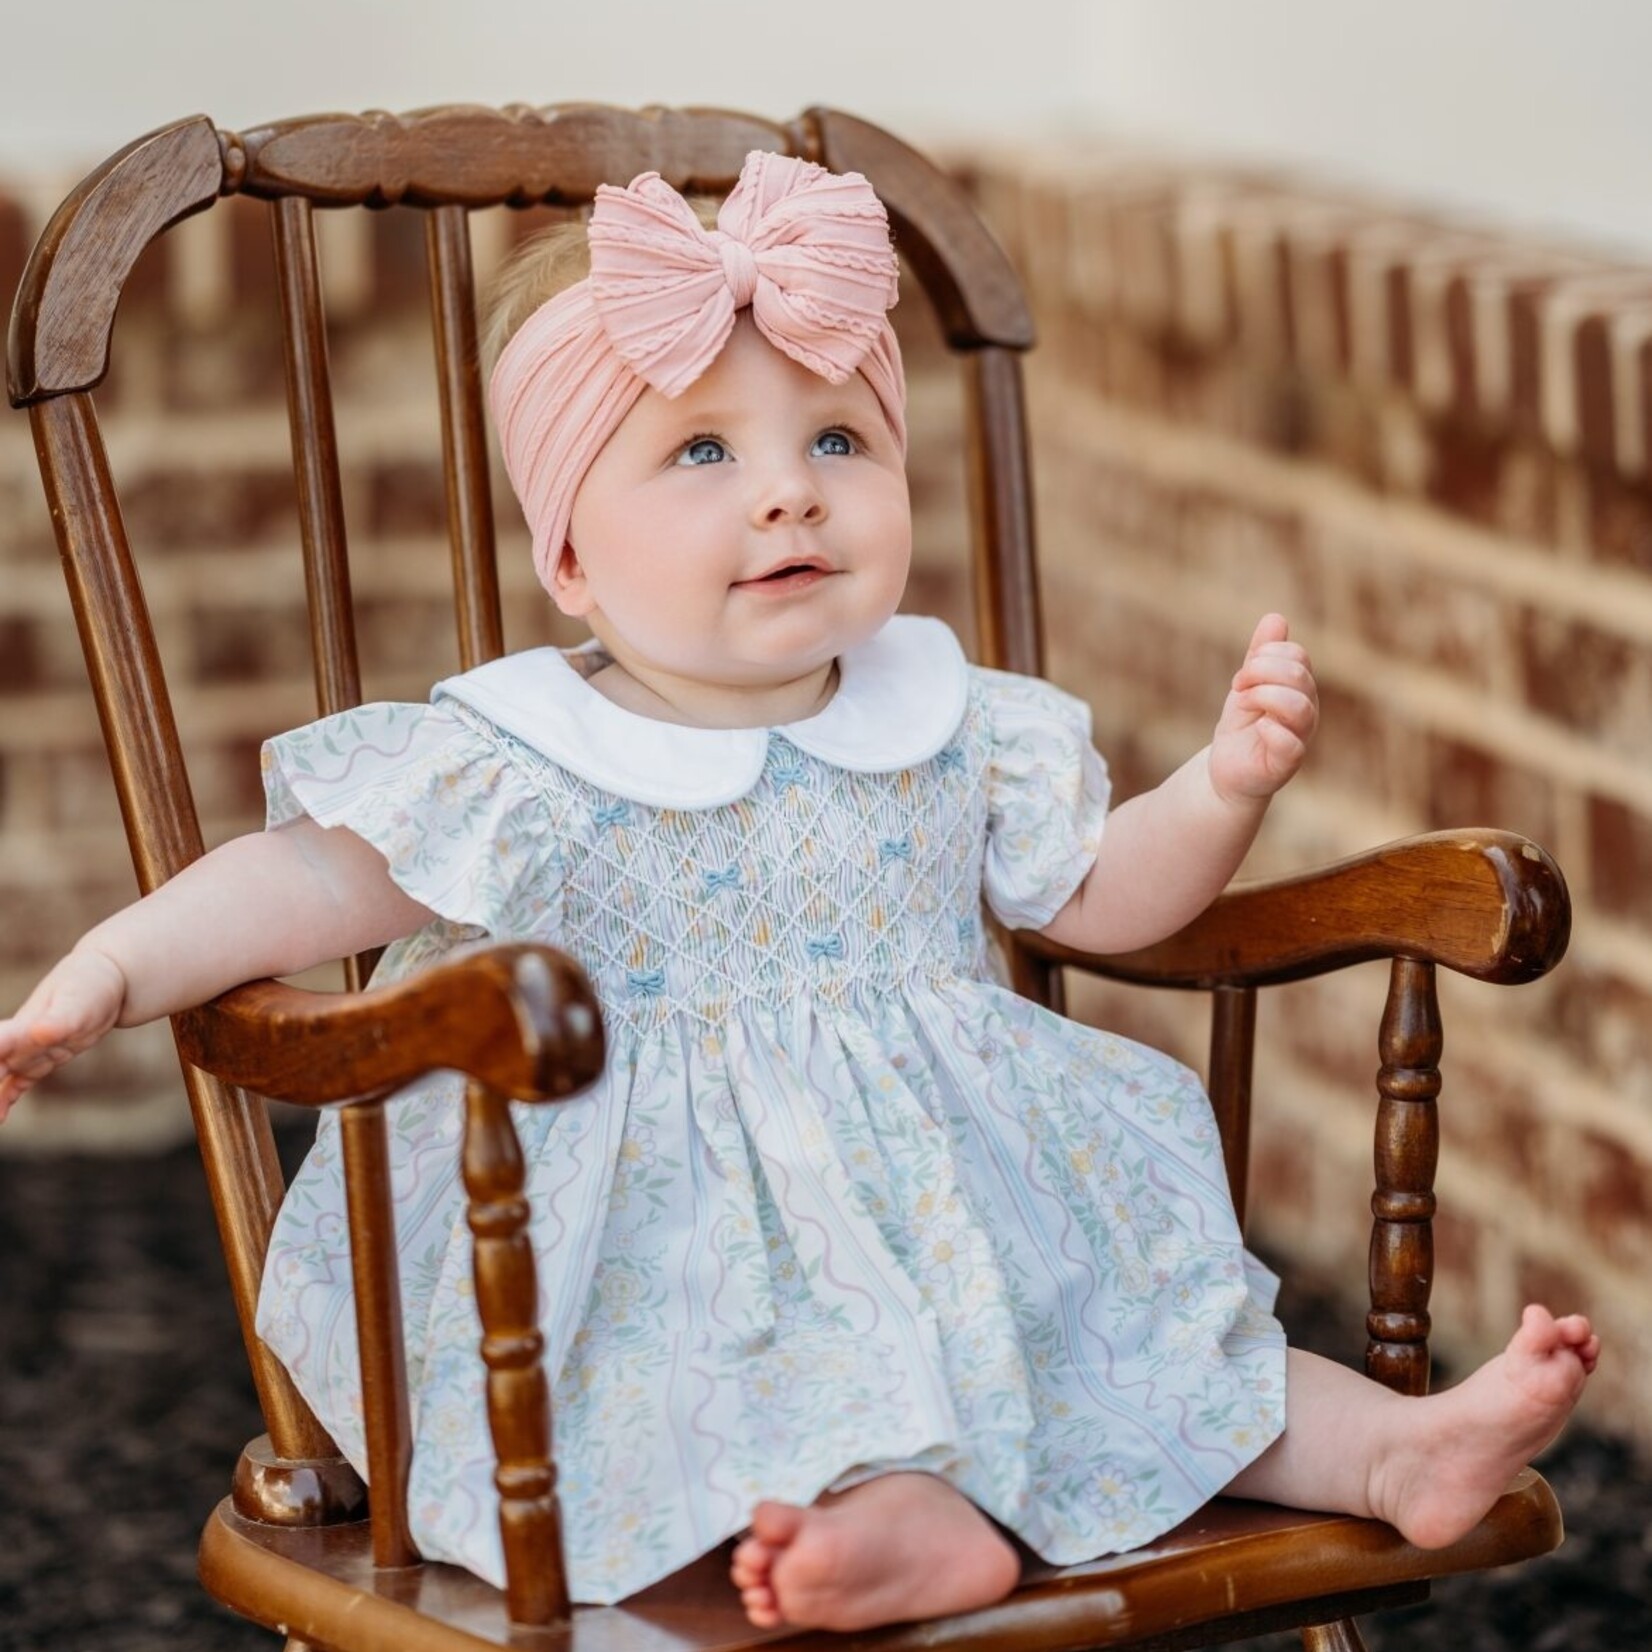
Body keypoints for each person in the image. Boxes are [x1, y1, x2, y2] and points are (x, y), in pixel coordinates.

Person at [0, 152, 1597, 1634]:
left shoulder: (945, 714)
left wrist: (1221, 790)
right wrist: (109, 971)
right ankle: (905, 1523)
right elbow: (295, 882)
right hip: (660, 1245)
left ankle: (1397, 1452)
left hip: (970, 1203)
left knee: (1161, 1330)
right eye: (702, 451)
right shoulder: (516, 759)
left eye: (838, 438)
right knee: (758, 1385)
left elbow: (1107, 902)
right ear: (571, 559)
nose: (789, 493)